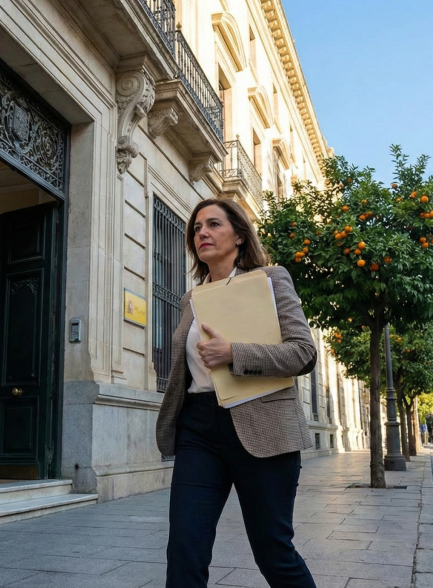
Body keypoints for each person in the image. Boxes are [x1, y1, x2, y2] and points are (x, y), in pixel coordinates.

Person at [155, 198, 318, 588]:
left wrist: (234, 353)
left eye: (213, 224)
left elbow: (303, 352)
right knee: (185, 547)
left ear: (240, 236)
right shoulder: (191, 299)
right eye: (196, 228)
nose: (202, 233)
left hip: (262, 427)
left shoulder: (271, 279)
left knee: (273, 551)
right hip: (198, 428)